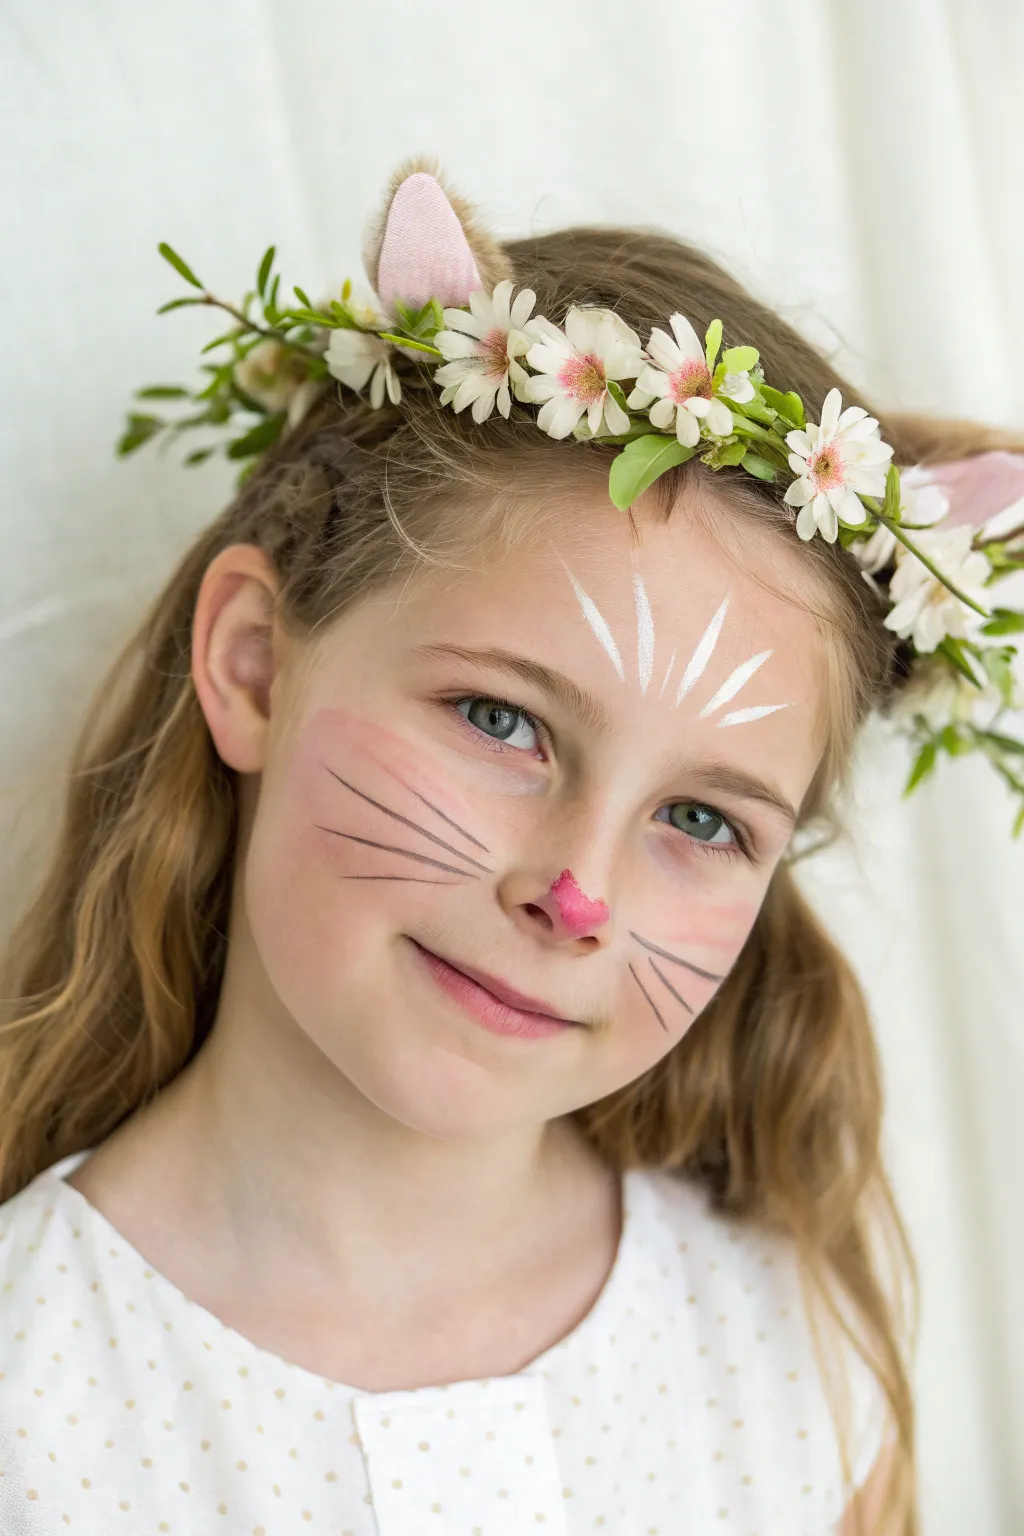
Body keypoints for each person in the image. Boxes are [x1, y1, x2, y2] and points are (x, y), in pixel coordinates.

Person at [2, 160, 1023, 1536]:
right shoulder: (34, 1395)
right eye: (502, 720)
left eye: (704, 819)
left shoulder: (789, 1369)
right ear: (252, 666)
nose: (578, 891)